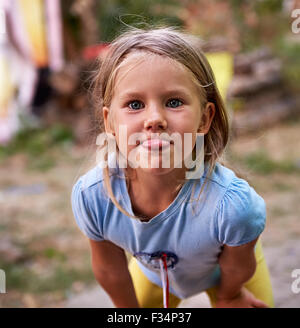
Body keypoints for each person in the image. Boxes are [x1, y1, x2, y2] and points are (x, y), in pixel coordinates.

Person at [71, 26, 274, 308]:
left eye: (174, 102)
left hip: (229, 276)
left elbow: (238, 267)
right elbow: (110, 270)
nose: (154, 119)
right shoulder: (94, 197)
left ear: (205, 119)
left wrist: (231, 295)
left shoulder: (234, 207)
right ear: (109, 123)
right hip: (156, 277)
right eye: (134, 104)